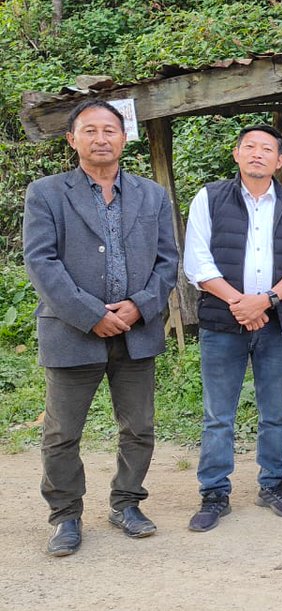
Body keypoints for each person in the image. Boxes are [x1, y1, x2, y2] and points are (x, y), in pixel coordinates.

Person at [23, 99, 178, 556]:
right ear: (72, 140)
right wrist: (92, 314)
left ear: (123, 138)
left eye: (109, 130)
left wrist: (139, 306)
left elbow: (168, 261)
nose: (100, 138)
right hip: (72, 332)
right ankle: (66, 516)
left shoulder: (151, 195)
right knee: (62, 432)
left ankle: (127, 503)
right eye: (89, 130)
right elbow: (41, 262)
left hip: (137, 333)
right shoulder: (46, 192)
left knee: (139, 428)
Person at [182, 124, 282, 531]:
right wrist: (239, 303)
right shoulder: (209, 198)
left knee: (274, 412)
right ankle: (214, 492)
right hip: (223, 322)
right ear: (236, 154)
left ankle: (274, 484)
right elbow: (198, 262)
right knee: (217, 414)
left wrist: (266, 301)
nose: (258, 154)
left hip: (277, 324)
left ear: (280, 160)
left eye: (267, 149)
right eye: (250, 147)